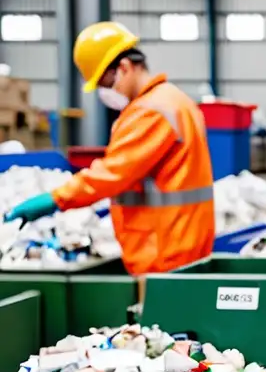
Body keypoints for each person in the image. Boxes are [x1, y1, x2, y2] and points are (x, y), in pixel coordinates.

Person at [4, 22, 215, 275]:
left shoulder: (151, 111)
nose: (104, 93)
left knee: (160, 315)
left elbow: (112, 174)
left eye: (105, 83)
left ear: (124, 68)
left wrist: (54, 199)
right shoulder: (176, 100)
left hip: (163, 249)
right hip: (182, 240)